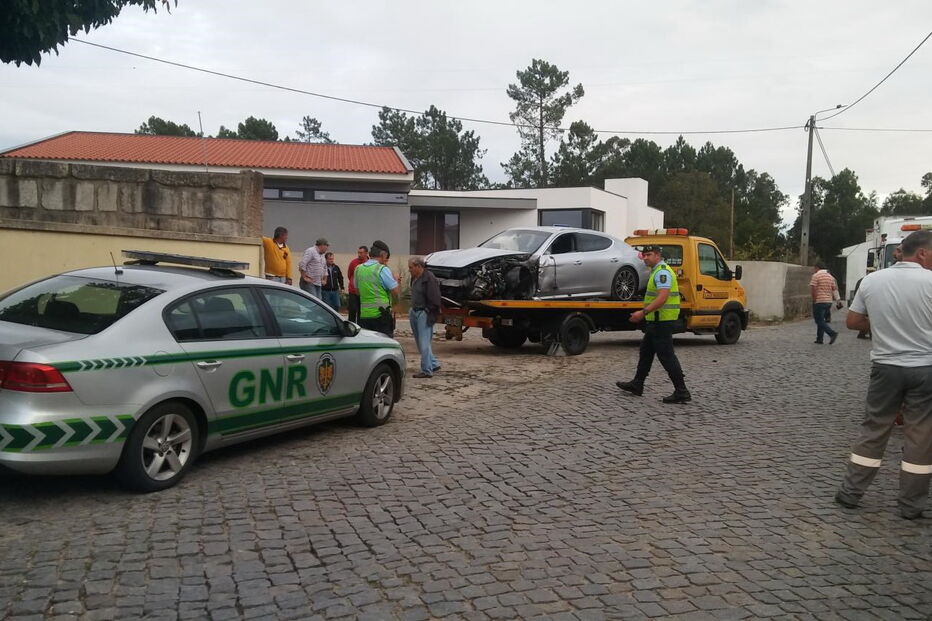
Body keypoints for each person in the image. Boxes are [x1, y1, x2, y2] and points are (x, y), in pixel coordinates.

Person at [835, 230, 932, 520]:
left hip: (886, 367)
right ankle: (911, 506)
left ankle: (850, 493)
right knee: (920, 435)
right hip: (925, 368)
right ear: (923, 253)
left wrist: (882, 323)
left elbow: (852, 322)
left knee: (874, 429)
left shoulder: (872, 281)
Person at [616, 245, 691, 404]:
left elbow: (662, 297)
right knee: (646, 352)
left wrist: (642, 313)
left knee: (667, 357)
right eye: (644, 255)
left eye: (649, 254)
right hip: (656, 321)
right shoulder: (656, 271)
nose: (645, 258)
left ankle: (681, 391)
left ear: (657, 255)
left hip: (661, 321)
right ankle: (637, 384)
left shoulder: (662, 272)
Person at [355, 241, 400, 337]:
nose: (386, 260)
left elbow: (357, 292)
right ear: (383, 255)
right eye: (386, 258)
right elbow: (395, 292)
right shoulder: (382, 269)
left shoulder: (358, 269)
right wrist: (396, 280)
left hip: (364, 315)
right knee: (384, 344)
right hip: (381, 315)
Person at [407, 257, 442, 378]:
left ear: (418, 266)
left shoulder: (429, 279)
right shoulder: (414, 278)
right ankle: (433, 363)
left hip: (424, 313)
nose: (409, 270)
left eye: (411, 268)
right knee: (420, 342)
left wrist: (427, 311)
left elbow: (435, 299)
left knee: (424, 343)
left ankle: (427, 370)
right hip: (415, 311)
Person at [809, 262, 840, 344]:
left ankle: (832, 333)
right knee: (822, 319)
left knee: (818, 320)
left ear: (817, 268)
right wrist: (837, 300)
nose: (813, 270)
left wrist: (814, 299)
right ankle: (819, 338)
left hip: (819, 301)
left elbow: (813, 289)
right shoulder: (830, 277)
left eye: (814, 268)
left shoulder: (816, 276)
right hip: (828, 302)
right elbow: (834, 289)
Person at [347, 246, 369, 323]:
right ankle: (350, 327)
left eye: (361, 253)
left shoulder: (369, 263)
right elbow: (349, 275)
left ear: (366, 253)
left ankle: (360, 327)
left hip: (364, 292)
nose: (359, 254)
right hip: (353, 291)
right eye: (358, 253)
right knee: (352, 310)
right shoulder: (353, 262)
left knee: (362, 312)